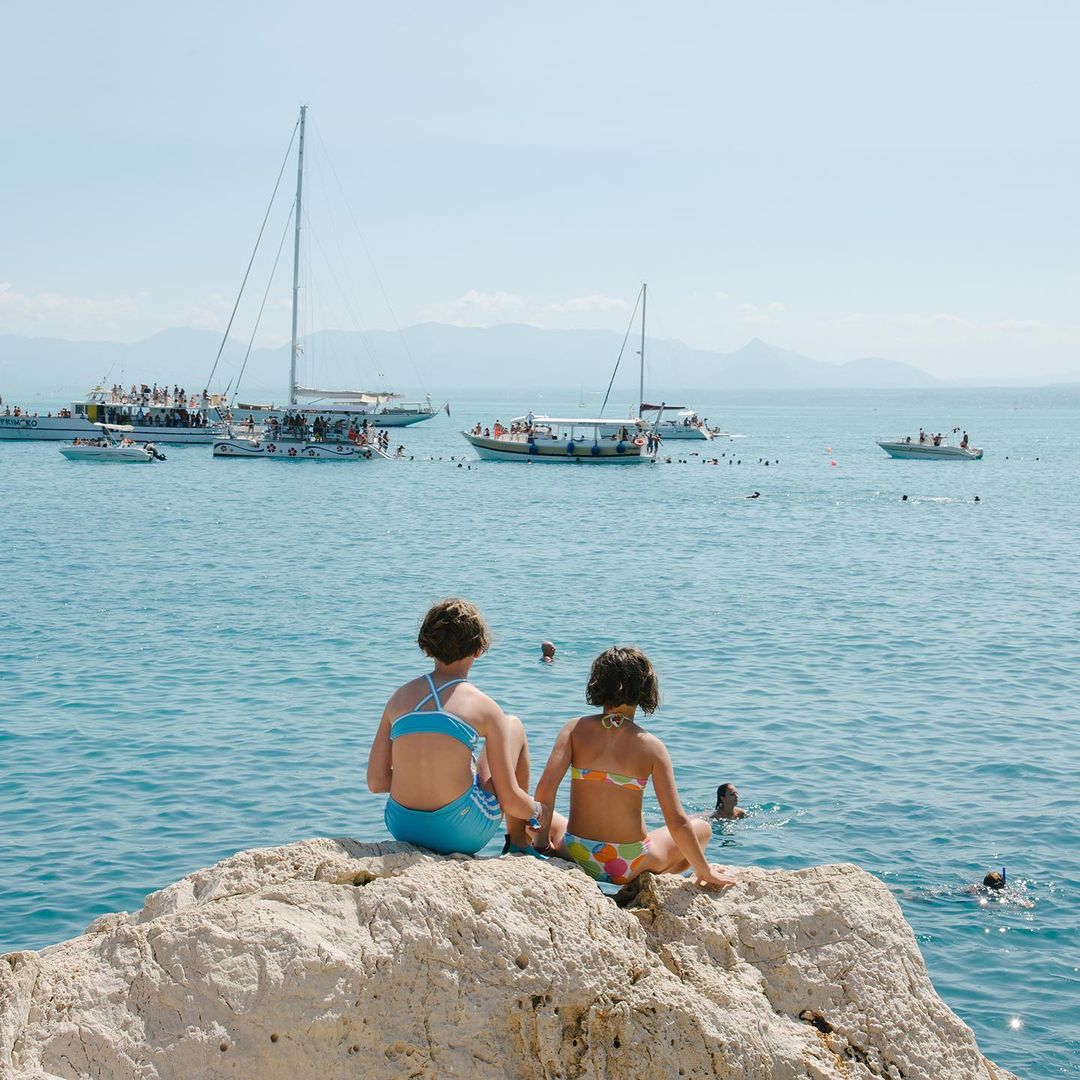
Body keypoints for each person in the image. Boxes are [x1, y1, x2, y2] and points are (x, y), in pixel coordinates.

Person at [530, 646, 736, 889]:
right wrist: (704, 870)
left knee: (527, 807)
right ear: (646, 689)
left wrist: (543, 845)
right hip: (629, 863)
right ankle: (643, 886)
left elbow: (544, 792)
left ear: (597, 683)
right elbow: (677, 822)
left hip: (577, 852)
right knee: (701, 828)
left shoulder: (574, 729)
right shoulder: (651, 746)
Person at [367, 598, 544, 856]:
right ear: (479, 649)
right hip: (461, 832)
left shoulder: (399, 698)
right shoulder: (484, 707)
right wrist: (538, 810)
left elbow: (376, 782)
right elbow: (510, 800)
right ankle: (518, 843)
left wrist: (423, 777)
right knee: (512, 724)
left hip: (402, 826)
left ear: (427, 647)